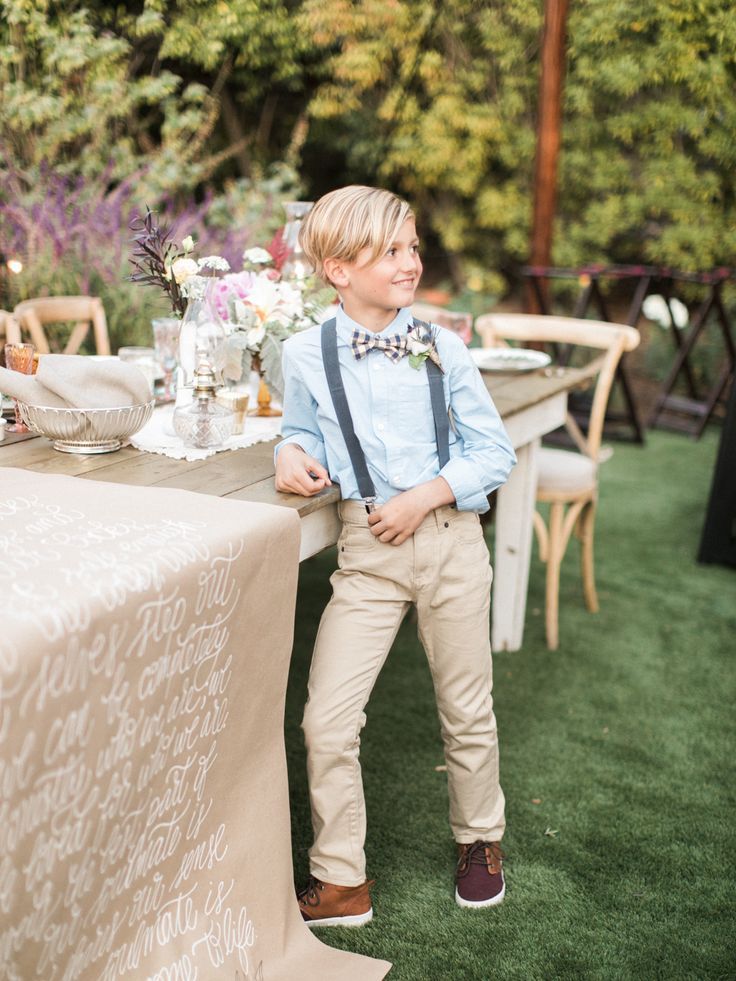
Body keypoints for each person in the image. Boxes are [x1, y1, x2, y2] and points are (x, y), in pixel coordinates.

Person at [274, 185, 516, 927]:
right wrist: (291, 450)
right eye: (392, 251)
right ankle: (341, 878)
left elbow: (493, 452)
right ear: (338, 269)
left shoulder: (444, 346)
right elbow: (303, 427)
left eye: (413, 247)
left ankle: (480, 841)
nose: (411, 261)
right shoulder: (305, 352)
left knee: (466, 707)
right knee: (326, 721)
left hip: (448, 544)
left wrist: (426, 495)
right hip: (366, 552)